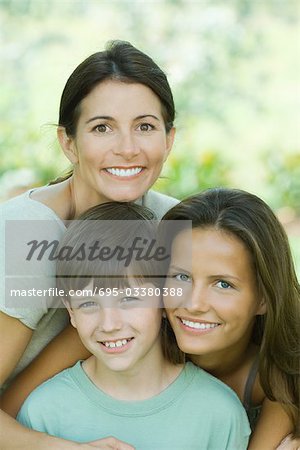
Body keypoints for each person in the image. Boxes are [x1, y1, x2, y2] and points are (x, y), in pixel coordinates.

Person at [0, 40, 178, 449]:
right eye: (102, 127)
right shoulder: (29, 234)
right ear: (68, 142)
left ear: (169, 139)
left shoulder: (170, 223)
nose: (128, 148)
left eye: (145, 126)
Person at [17, 201, 251, 449]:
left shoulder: (219, 413)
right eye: (88, 304)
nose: (109, 324)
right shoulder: (43, 412)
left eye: (128, 299)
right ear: (70, 311)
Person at [160, 188, 300, 450]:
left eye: (223, 284)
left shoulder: (280, 376)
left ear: (263, 299)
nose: (194, 303)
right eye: (181, 277)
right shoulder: (126, 328)